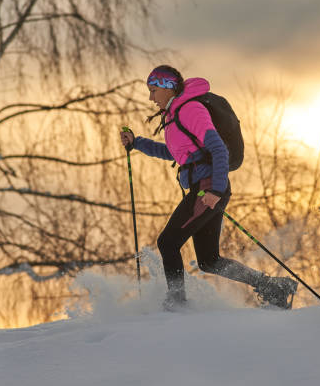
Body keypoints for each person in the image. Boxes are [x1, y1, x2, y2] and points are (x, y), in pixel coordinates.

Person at [120, 65, 298, 310]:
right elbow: (173, 153)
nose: (151, 98)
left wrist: (214, 190)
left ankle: (176, 303)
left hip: (207, 189)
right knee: (209, 260)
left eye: (153, 90)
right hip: (207, 188)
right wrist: (136, 143)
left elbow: (218, 149)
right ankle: (274, 287)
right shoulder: (173, 116)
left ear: (167, 87)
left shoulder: (190, 109)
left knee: (168, 243)